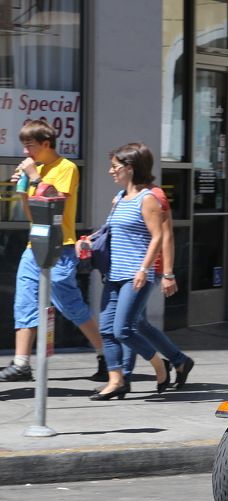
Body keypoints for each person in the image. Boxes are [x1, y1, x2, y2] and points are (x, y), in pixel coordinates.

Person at [1, 120, 107, 383]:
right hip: (33, 245)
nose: (26, 152)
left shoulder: (66, 168)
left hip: (61, 245)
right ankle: (21, 363)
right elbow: (33, 216)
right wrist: (24, 187)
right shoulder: (34, 168)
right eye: (24, 145)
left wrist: (35, 178)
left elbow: (56, 204)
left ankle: (106, 355)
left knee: (70, 306)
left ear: (46, 144)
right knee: (24, 301)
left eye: (31, 145)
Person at [90, 143, 168, 401]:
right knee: (106, 329)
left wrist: (145, 269)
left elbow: (158, 237)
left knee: (123, 328)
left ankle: (159, 365)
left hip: (136, 274)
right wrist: (88, 241)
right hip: (114, 273)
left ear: (130, 168)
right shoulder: (119, 198)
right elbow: (111, 232)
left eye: (115, 166)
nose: (110, 171)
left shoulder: (148, 200)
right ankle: (117, 381)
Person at [119, 184, 194, 391]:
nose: (112, 171)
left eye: (117, 166)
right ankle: (179, 360)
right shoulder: (126, 195)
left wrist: (168, 273)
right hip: (131, 268)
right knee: (137, 323)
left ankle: (124, 377)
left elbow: (166, 234)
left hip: (148, 269)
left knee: (128, 324)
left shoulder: (155, 195)